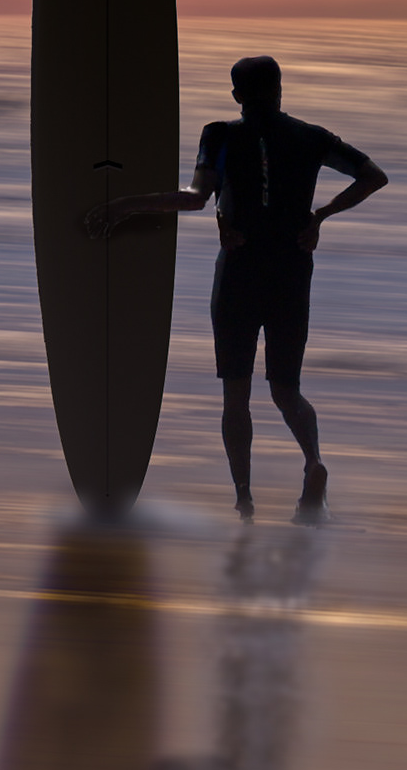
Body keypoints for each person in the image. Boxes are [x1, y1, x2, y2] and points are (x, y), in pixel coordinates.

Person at [96, 56, 386, 515]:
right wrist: (320, 216)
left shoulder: (221, 134)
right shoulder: (312, 137)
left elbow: (194, 197)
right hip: (291, 269)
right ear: (280, 89)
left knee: (236, 391)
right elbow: (373, 177)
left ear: (237, 96)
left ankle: (244, 498)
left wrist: (126, 206)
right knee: (286, 388)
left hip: (241, 269)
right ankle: (313, 463)